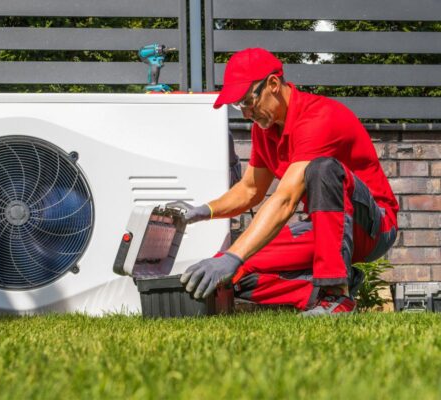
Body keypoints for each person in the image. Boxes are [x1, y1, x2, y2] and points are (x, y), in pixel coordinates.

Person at [169, 48, 398, 316]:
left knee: (322, 169)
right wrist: (203, 211)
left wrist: (235, 255)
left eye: (247, 102)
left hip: (373, 226)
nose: (245, 113)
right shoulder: (264, 130)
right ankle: (325, 291)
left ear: (273, 84)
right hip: (325, 228)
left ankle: (336, 294)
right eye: (238, 106)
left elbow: (286, 199)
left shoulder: (319, 118)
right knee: (232, 275)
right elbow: (250, 190)